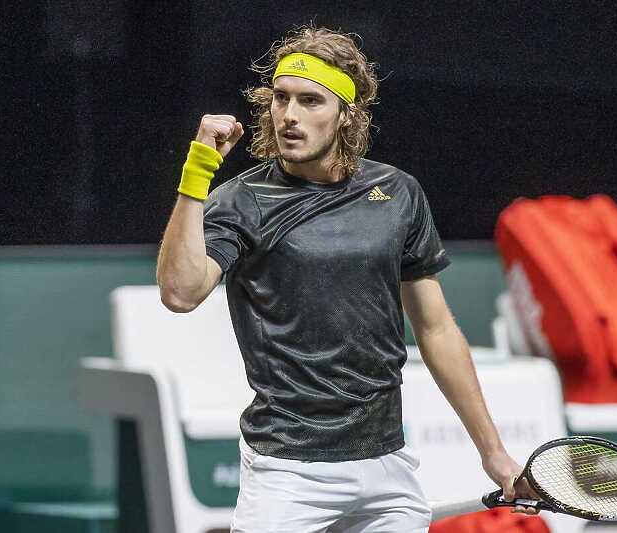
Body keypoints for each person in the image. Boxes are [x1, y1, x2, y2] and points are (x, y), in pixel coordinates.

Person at [156, 25, 537, 533]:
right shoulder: (242, 200)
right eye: (281, 98)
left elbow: (436, 329)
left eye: (311, 101)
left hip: (387, 468)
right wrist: (197, 172)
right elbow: (180, 293)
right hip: (286, 473)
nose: (290, 116)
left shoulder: (397, 193)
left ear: (346, 114)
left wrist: (495, 454)